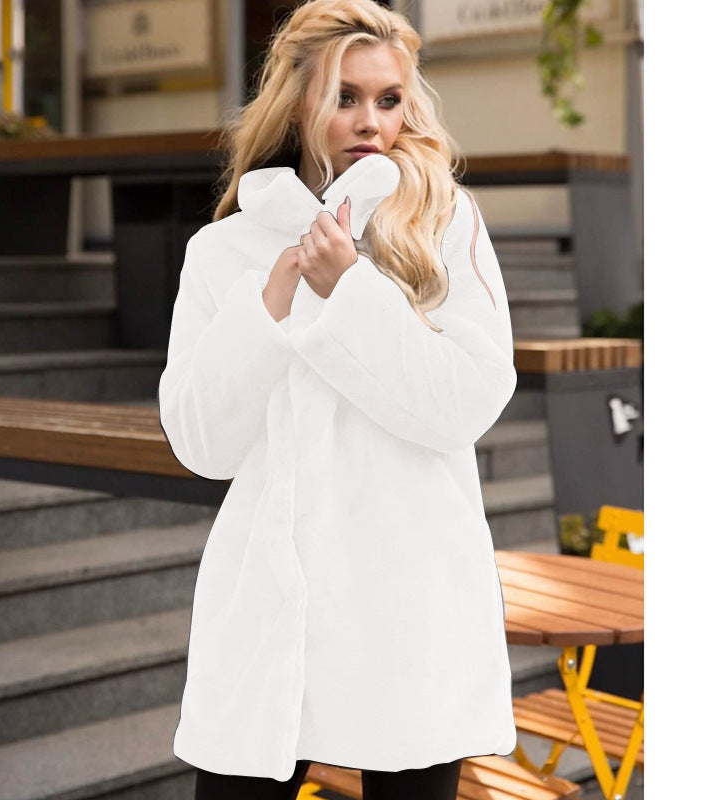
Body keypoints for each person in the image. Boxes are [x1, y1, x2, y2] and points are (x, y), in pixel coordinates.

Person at [157, 1, 517, 798]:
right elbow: (201, 444)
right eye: (344, 97)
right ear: (297, 104)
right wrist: (271, 302)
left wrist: (350, 289)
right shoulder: (222, 250)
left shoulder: (440, 221)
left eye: (388, 99)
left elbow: (469, 402)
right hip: (270, 600)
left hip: (409, 591)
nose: (370, 121)